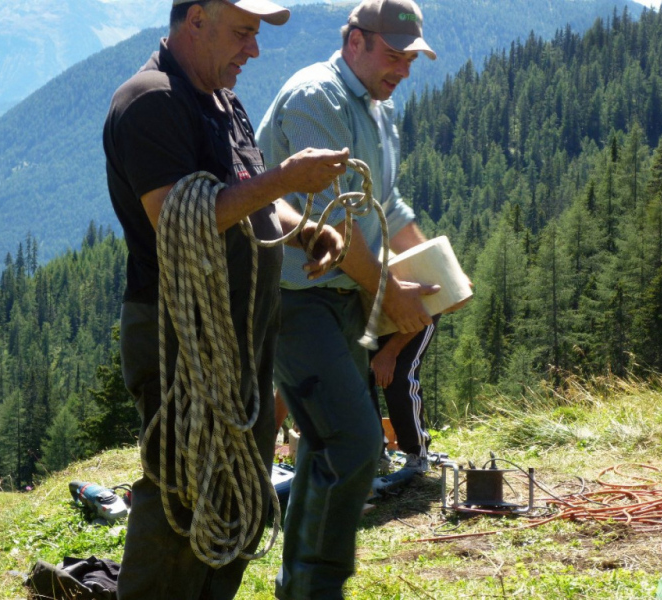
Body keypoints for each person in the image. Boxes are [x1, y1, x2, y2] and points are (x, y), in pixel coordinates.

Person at [102, 1, 349, 598]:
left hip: (239, 331)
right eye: (243, 33)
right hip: (178, 332)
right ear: (196, 21)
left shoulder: (223, 102)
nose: (253, 50)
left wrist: (308, 226)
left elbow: (250, 198)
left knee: (240, 475)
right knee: (183, 482)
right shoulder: (151, 101)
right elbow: (178, 220)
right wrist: (286, 177)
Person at [256, 0, 438, 597]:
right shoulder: (320, 98)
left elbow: (388, 203)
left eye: (410, 58)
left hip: (340, 301)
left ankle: (300, 585)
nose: (403, 70)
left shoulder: (377, 109)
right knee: (357, 441)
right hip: (294, 295)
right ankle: (317, 588)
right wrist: (392, 291)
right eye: (393, 56)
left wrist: (441, 270)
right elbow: (336, 222)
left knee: (326, 443)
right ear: (354, 41)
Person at [370, 314, 440, 474]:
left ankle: (417, 454)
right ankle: (374, 453)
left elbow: (425, 311)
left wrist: (390, 352)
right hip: (374, 312)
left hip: (422, 308)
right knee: (359, 376)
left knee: (400, 375)